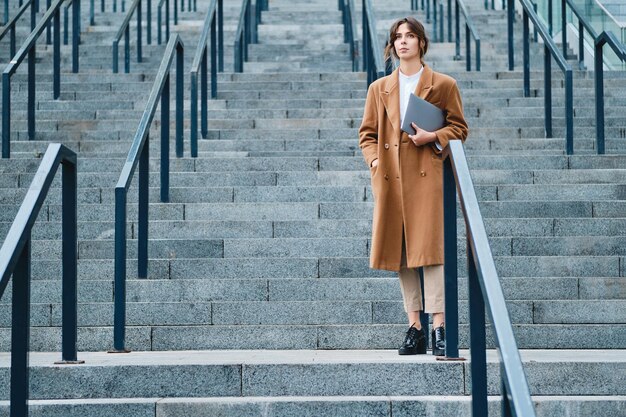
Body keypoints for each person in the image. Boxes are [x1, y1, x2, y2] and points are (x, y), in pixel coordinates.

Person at [358, 16, 468, 356]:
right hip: (391, 180)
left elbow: (460, 129)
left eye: (410, 36)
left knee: (431, 252)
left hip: (426, 177)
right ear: (393, 45)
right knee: (402, 254)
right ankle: (415, 327)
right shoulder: (379, 88)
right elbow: (367, 136)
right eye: (397, 37)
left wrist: (433, 136)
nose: (403, 42)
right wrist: (376, 163)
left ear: (422, 42)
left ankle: (439, 327)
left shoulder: (443, 84)